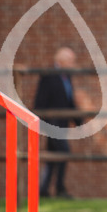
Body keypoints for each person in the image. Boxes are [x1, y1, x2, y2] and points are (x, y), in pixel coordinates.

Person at [34, 46, 80, 198]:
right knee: (63, 153)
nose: (73, 64)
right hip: (52, 125)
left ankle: (43, 190)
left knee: (52, 158)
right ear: (61, 61)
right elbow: (40, 102)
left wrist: (79, 121)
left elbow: (69, 102)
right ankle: (60, 189)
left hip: (63, 125)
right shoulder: (49, 76)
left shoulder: (66, 78)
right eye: (71, 61)